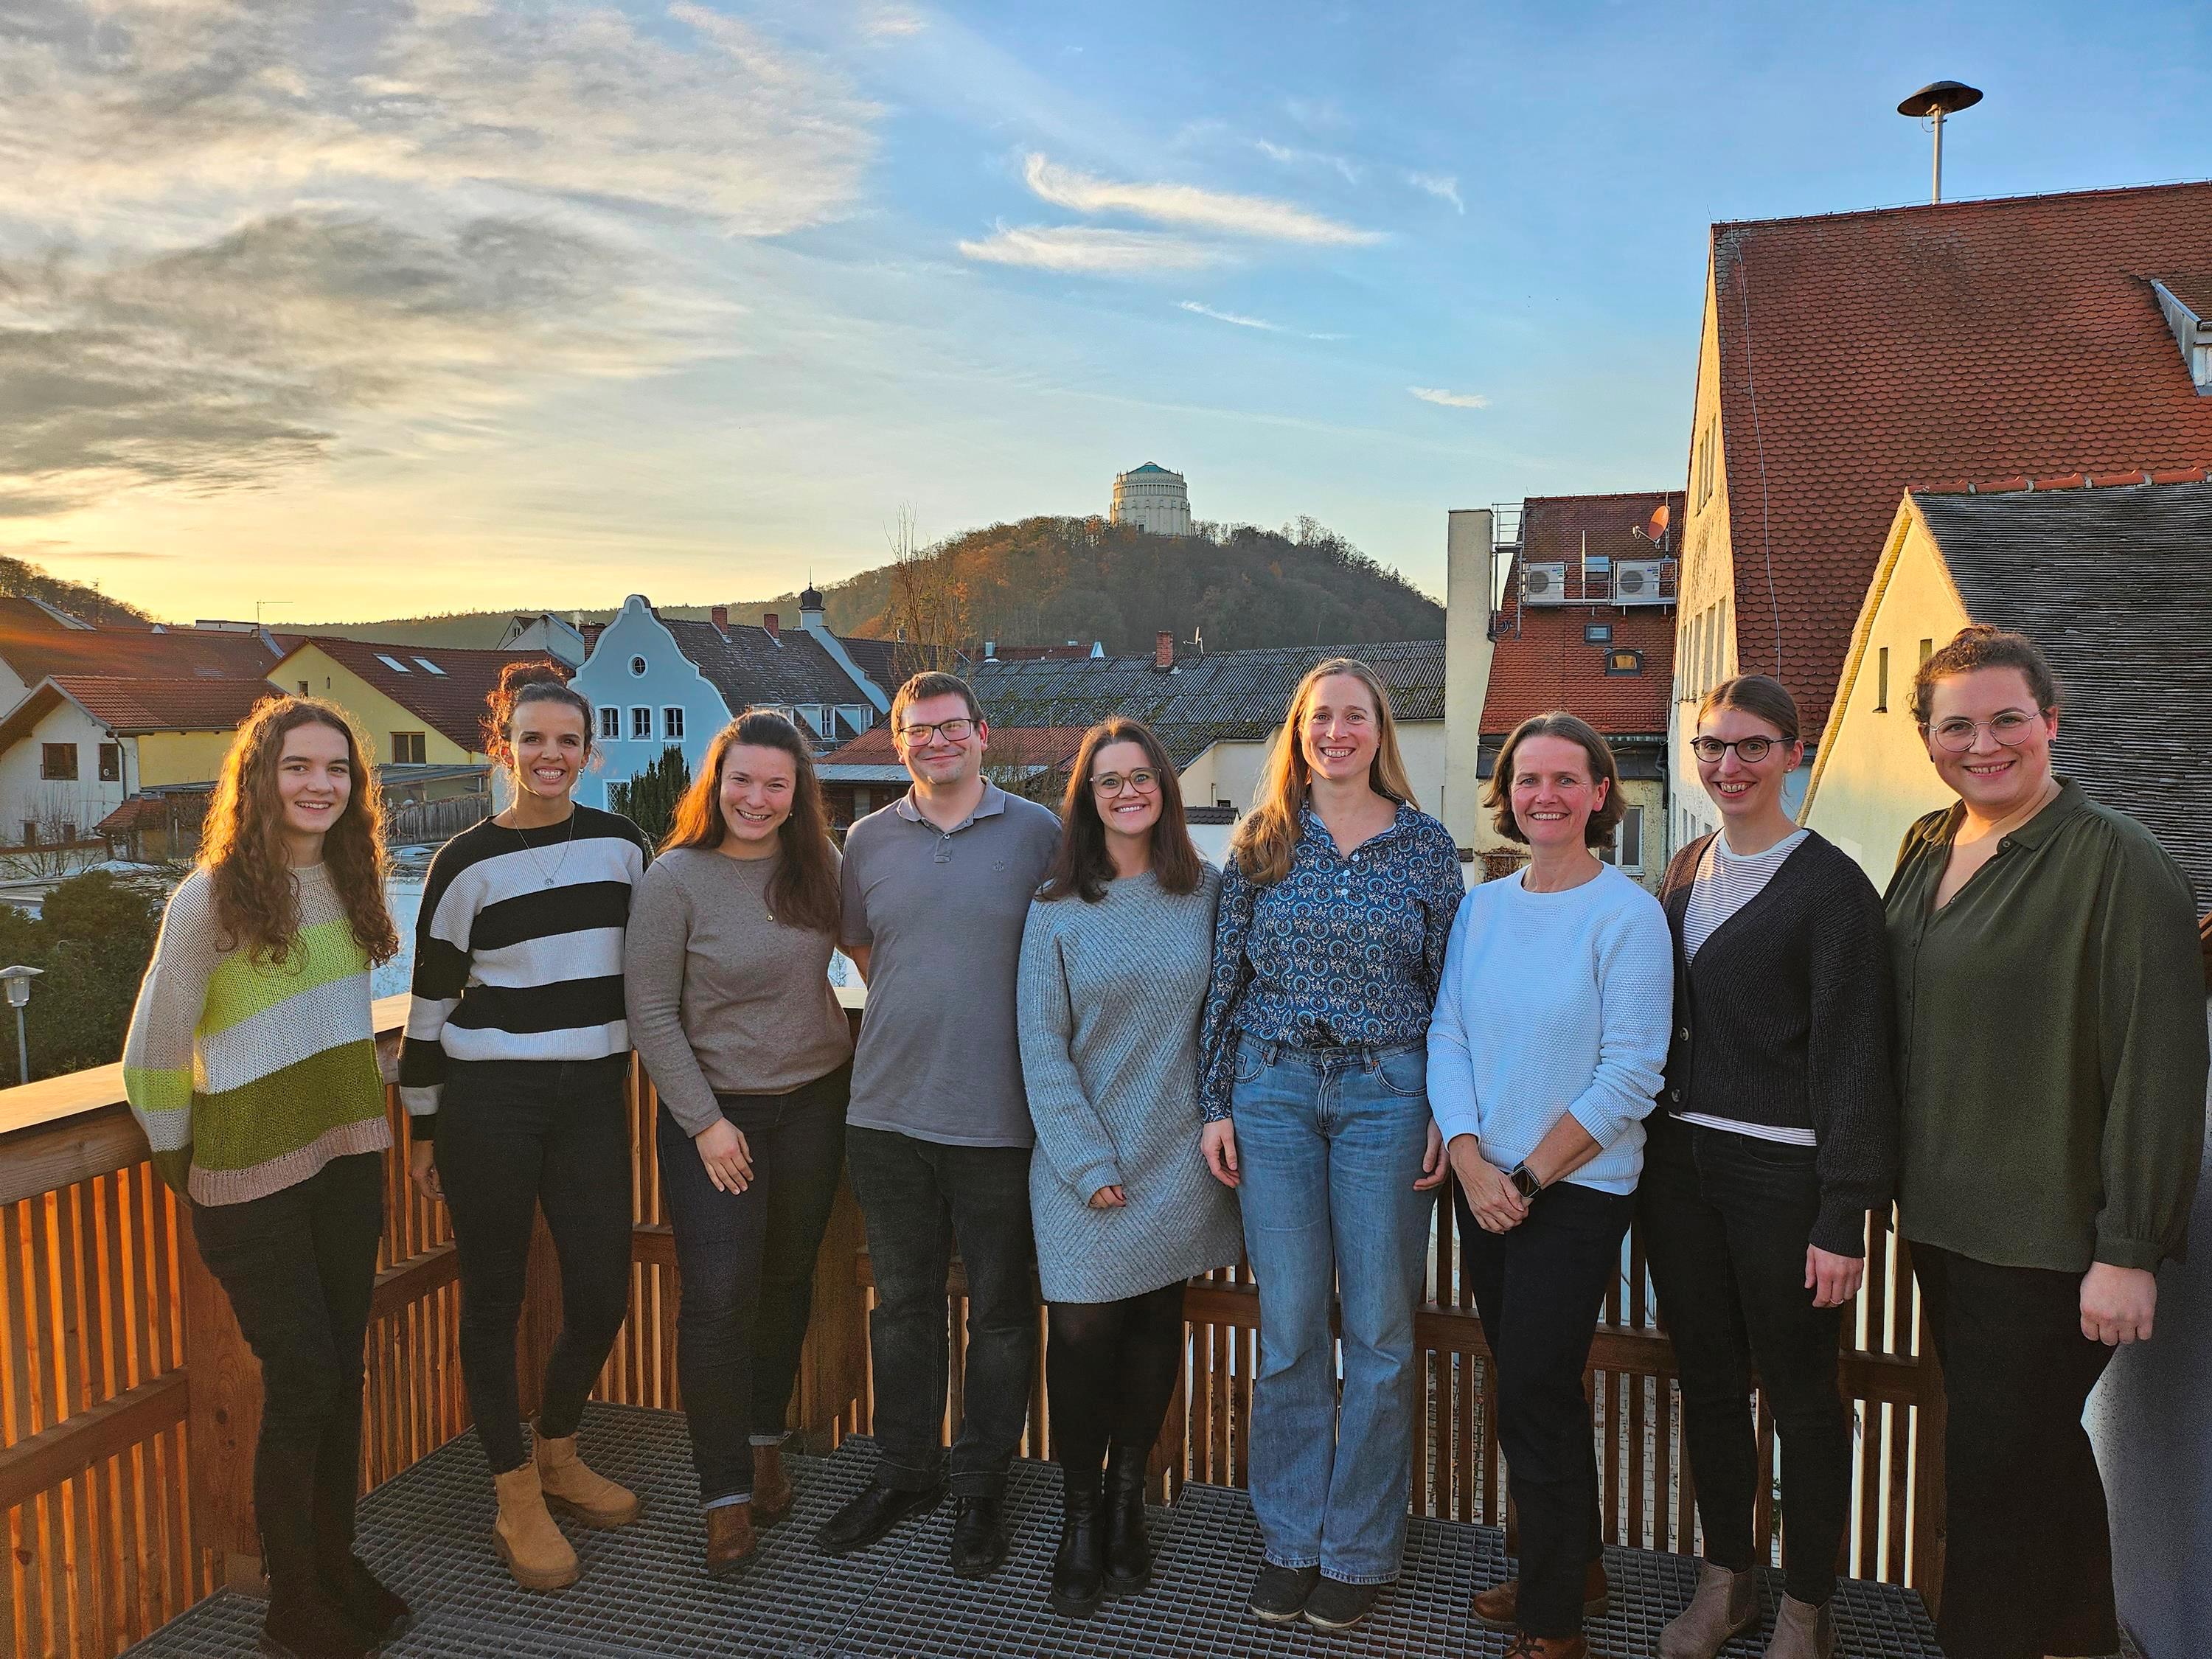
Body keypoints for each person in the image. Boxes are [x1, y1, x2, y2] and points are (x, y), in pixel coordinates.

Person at [1885, 625, 2206, 1659]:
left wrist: (2129, 1247)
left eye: (2007, 718)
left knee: (1990, 1483)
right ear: (1928, 739)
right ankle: (2083, 1639)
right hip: (1944, 1222)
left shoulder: (2119, 863)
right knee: (2036, 1459)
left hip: (2051, 1238)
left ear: (2051, 722)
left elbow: (2162, 1065)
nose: (1984, 743)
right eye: (1958, 725)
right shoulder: (1928, 841)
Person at [123, 697, 407, 1659]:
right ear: (260, 778)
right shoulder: (209, 899)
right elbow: (152, 1055)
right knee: (305, 1376)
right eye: (298, 766)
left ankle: (335, 1561)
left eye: (337, 767)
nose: (319, 783)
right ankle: (293, 1599)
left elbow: (339, 1023)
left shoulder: (349, 877)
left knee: (345, 1374)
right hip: (248, 1187)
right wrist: (184, 1161)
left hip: (345, 1164)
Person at [1197, 658, 1461, 1634]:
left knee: (1384, 1330)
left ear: (1380, 730)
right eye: (1321, 717)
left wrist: (1450, 1107)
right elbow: (1225, 979)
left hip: (1388, 1094)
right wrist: (1214, 1101)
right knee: (1295, 1324)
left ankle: (1358, 1547)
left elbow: (1453, 995)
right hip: (1270, 1092)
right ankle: (1290, 1538)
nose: (1338, 732)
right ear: (1299, 732)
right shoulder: (1263, 839)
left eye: (1355, 716)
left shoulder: (1426, 848)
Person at [1640, 676, 1896, 1659]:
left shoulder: (1832, 888)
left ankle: (1806, 1606)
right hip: (1679, 1168)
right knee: (1706, 1381)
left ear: (1795, 751)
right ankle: (1727, 1579)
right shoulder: (1685, 867)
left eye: (1752, 746)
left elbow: (1853, 1057)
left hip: (1782, 1176)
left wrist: (1845, 1213)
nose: (1727, 766)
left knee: (1801, 1391)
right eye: (1712, 746)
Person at [400, 663, 653, 1593]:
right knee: (494, 1300)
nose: (550, 755)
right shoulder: (463, 862)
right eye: (532, 738)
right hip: (488, 1103)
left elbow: (661, 967)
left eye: (568, 741)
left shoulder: (626, 847)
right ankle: (513, 1494)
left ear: (590, 753)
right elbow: (429, 1003)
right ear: (502, 744)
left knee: (601, 1290)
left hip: (591, 1094)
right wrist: (423, 1125)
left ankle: (557, 1447)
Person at [1429, 712, 1672, 1659]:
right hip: (1484, 1181)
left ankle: (1555, 1623)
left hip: (1574, 1190)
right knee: (1537, 1386)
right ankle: (1579, 1568)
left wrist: (1523, 1175)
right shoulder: (1484, 907)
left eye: (1567, 780)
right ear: (1507, 795)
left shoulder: (1627, 915)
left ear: (1601, 794)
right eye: (1528, 780)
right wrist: (1468, 1157)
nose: (1545, 797)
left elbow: (1631, 1075)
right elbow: (1447, 1034)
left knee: (1532, 1388)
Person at [814, 671, 1061, 1579]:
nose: (936, 742)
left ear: (983, 734)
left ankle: (982, 1485)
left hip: (1001, 1119)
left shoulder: (1039, 833)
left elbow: (1074, 945)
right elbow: (863, 946)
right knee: (904, 1307)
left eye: (952, 727)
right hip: (885, 1115)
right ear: (898, 739)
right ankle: (906, 1470)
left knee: (1000, 1312)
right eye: (919, 730)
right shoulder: (868, 839)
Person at [1016, 717, 1243, 1619]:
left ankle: (1125, 1508)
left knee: (1157, 1326)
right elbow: (1042, 1046)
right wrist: (1084, 1159)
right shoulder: (1056, 908)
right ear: (1087, 797)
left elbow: (1229, 1019)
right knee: (1078, 1338)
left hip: (1183, 1154)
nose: (1127, 792)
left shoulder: (1211, 892)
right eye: (1108, 781)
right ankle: (1077, 1518)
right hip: (1086, 1160)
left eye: (1141, 776)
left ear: (1165, 787)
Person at [625, 712, 854, 1579]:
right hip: (714, 1116)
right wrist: (706, 1123)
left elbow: (877, 955)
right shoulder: (673, 879)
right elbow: (650, 1012)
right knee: (718, 1299)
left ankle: (765, 1449)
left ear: (798, 797)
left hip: (815, 1102)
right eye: (742, 781)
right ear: (715, 784)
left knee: (788, 1277)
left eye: (775, 785)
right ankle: (722, 1495)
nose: (756, 799)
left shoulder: (818, 868)